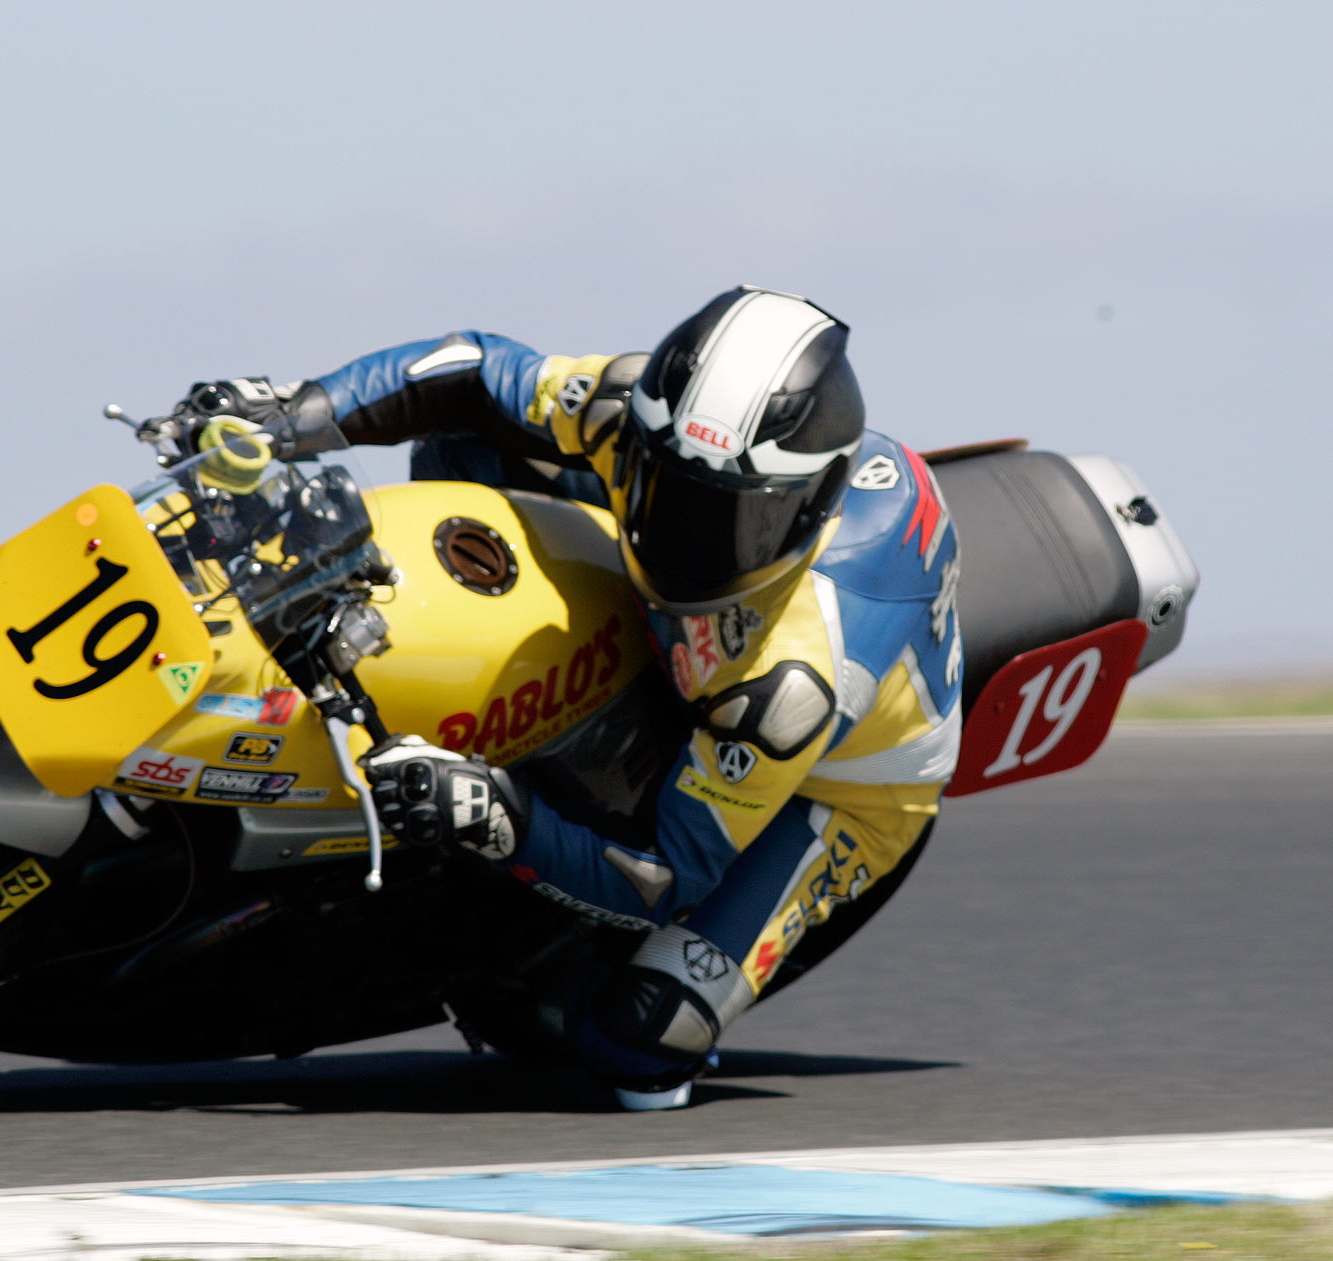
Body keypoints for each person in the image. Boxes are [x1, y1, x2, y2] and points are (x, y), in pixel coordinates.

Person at [179, 287, 961, 1109]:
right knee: (467, 441)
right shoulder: (630, 410)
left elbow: (667, 877)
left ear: (810, 507)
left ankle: (545, 948)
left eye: (729, 522)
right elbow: (475, 371)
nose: (684, 538)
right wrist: (293, 414)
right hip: (697, 655)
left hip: (832, 793)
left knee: (641, 1038)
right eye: (664, 489)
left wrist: (498, 816)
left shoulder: (793, 683)